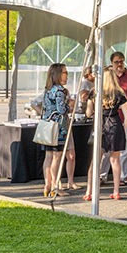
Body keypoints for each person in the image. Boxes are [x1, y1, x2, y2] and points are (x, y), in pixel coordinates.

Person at [83, 66, 127, 200]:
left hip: (100, 125)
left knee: (95, 161)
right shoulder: (119, 93)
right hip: (115, 126)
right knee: (115, 160)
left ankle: (88, 191)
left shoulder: (94, 92)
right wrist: (121, 129)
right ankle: (116, 191)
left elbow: (88, 113)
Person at [99, 51, 127, 185]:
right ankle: (101, 176)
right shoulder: (106, 77)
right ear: (111, 63)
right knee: (105, 151)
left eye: (122, 61)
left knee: (124, 150)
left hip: (126, 118)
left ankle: (122, 177)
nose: (119, 64)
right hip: (107, 120)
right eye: (117, 61)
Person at [40, 63, 78, 198]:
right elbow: (61, 109)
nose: (66, 75)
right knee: (56, 157)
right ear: (58, 74)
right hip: (58, 127)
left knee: (48, 156)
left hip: (47, 125)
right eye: (64, 72)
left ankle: (47, 185)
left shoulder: (48, 89)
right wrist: (70, 106)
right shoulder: (60, 91)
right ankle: (55, 187)